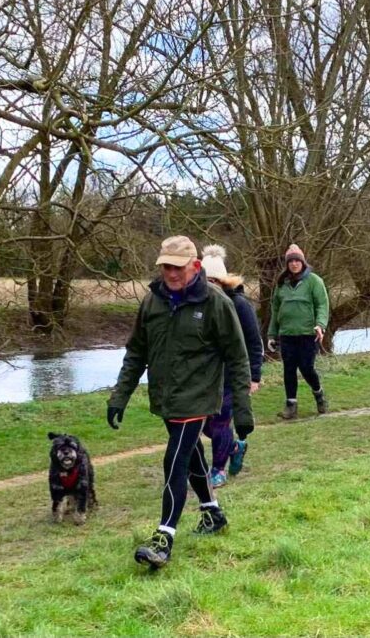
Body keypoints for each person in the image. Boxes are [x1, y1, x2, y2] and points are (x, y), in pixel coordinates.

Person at [107, 236, 253, 570]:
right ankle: (212, 513)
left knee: (174, 459)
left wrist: (242, 409)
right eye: (165, 267)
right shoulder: (152, 302)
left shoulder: (216, 303)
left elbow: (238, 356)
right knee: (191, 456)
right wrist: (120, 396)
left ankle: (164, 537)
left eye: (177, 267)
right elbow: (136, 352)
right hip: (166, 398)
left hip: (199, 396)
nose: (170, 274)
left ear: (195, 266)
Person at [200, 245, 263, 487]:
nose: (209, 284)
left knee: (220, 422)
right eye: (205, 279)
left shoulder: (239, 304)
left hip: (231, 374)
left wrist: (253, 376)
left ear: (223, 279)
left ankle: (218, 470)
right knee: (205, 425)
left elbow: (254, 342)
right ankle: (234, 447)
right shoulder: (198, 303)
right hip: (205, 375)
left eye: (213, 279)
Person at [267, 244, 330, 420]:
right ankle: (291, 405)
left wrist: (320, 324)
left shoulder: (314, 281)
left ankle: (319, 395)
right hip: (287, 334)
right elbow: (275, 310)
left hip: (308, 333)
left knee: (306, 367)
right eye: (291, 261)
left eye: (297, 261)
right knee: (289, 369)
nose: (294, 264)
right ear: (287, 264)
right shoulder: (281, 284)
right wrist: (272, 335)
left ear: (303, 262)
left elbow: (322, 305)